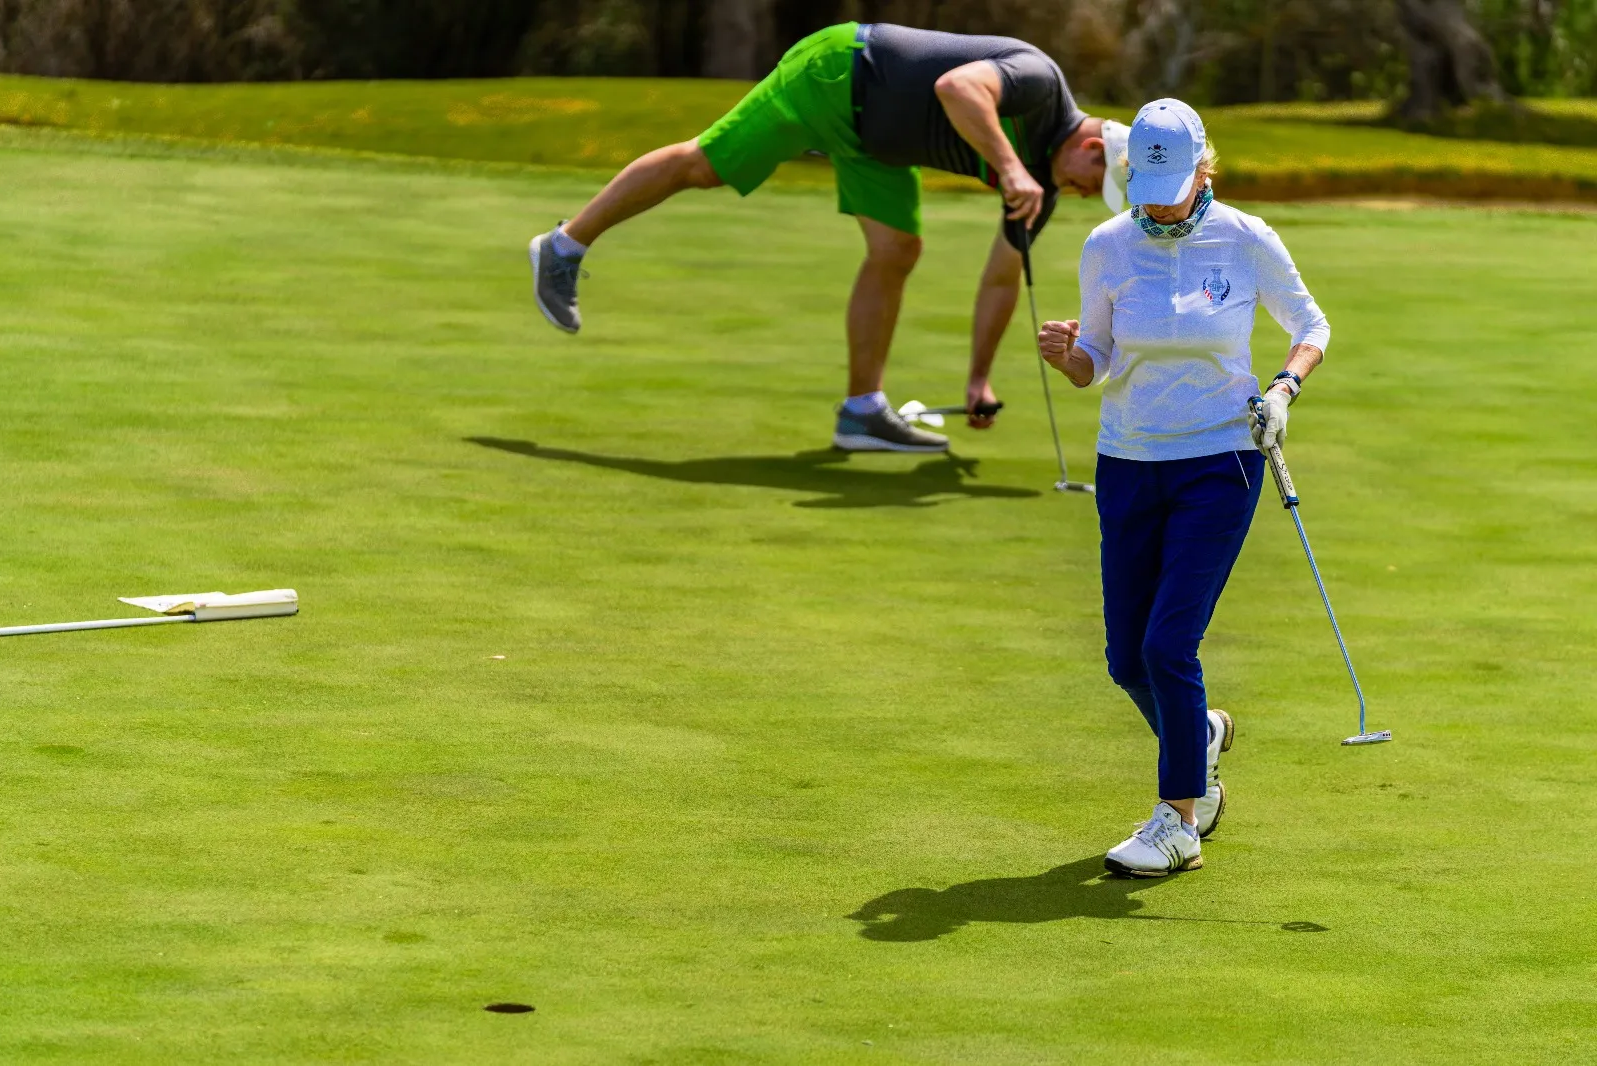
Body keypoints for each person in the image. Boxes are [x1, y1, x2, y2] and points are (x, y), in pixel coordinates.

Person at [528, 22, 1127, 453]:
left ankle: (862, 412)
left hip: (881, 147)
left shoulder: (1041, 190)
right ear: (1092, 149)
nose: (1078, 195)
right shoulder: (1039, 82)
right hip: (839, 74)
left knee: (897, 249)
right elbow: (957, 89)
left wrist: (977, 380)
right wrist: (1011, 165)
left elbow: (1002, 278)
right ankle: (564, 246)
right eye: (1090, 184)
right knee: (704, 165)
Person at [1038, 99, 1329, 877]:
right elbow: (1096, 360)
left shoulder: (1244, 238)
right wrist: (1069, 355)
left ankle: (1178, 821)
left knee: (1169, 642)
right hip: (1128, 461)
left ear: (1204, 165)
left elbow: (1311, 326)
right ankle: (1197, 733)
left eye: (1174, 181)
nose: (1160, 200)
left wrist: (1282, 391)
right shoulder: (1107, 245)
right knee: (1126, 660)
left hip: (1220, 460)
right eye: (1147, 184)